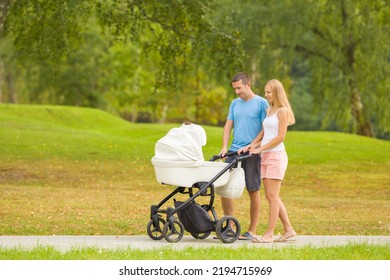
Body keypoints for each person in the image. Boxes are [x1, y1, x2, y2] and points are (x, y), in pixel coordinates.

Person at [240, 79, 296, 243]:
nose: (266, 95)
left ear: (277, 92)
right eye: (265, 91)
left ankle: (269, 234)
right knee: (272, 196)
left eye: (269, 92)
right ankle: (289, 229)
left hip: (276, 156)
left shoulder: (282, 111)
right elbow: (264, 133)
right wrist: (252, 145)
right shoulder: (270, 110)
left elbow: (280, 137)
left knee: (272, 196)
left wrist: (261, 149)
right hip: (266, 156)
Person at [219, 72, 269, 240]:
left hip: (252, 153)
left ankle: (252, 230)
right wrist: (224, 147)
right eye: (234, 89)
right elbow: (228, 126)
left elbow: (265, 129)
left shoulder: (261, 103)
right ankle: (230, 226)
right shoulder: (234, 104)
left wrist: (252, 145)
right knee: (223, 186)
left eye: (239, 88)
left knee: (253, 190)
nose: (237, 92)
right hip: (234, 151)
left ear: (248, 85)